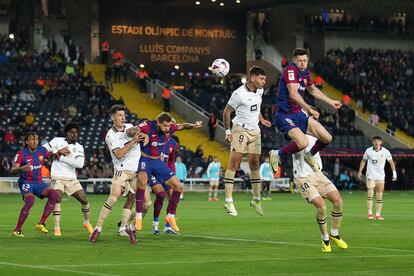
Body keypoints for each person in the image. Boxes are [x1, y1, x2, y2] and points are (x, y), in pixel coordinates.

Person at [126, 112, 202, 235]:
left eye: (168, 126)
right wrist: (139, 133)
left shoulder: (170, 128)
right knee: (142, 182)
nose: (167, 128)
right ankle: (138, 217)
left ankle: (170, 217)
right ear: (159, 123)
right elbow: (129, 131)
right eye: (165, 126)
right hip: (146, 160)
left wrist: (194, 125)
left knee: (178, 187)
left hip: (158, 162)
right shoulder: (148, 126)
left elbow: (182, 126)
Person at [269, 48, 342, 174]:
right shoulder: (290, 70)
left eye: (305, 60)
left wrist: (331, 101)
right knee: (303, 142)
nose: (303, 63)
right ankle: (276, 154)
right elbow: (293, 94)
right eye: (300, 61)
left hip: (298, 113)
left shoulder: (306, 73)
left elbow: (313, 90)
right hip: (284, 114)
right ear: (294, 60)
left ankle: (310, 155)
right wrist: (309, 109)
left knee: (327, 138)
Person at [89, 105, 148, 243]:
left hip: (136, 171)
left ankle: (127, 227)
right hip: (121, 169)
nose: (123, 117)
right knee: (114, 197)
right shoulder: (110, 136)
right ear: (113, 117)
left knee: (144, 202)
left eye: (123, 115)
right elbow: (119, 154)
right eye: (120, 115)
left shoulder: (129, 126)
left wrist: (143, 134)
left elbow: (136, 132)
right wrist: (133, 142)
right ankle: (98, 228)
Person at [222, 66, 272, 217]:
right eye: (261, 79)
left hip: (255, 130)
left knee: (255, 164)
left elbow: (256, 108)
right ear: (252, 78)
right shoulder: (238, 94)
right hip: (240, 130)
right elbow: (227, 112)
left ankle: (256, 200)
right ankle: (229, 201)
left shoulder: (260, 90)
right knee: (235, 163)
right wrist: (228, 131)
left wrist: (262, 119)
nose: (264, 82)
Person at [292, 135, 348, 253]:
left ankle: (334, 234)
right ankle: (325, 239)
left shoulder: (317, 135)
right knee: (321, 205)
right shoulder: (295, 134)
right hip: (302, 177)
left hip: (318, 174)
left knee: (338, 200)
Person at [43, 122, 93, 236]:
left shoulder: (79, 147)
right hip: (57, 177)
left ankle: (86, 222)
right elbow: (42, 151)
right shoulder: (57, 141)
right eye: (72, 132)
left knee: (84, 200)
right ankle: (57, 227)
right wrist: (56, 152)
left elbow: (79, 164)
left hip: (71, 178)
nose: (74, 134)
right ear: (66, 133)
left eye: (76, 132)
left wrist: (60, 157)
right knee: (57, 198)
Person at [11, 132, 59, 237]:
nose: (34, 141)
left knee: (55, 195)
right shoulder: (21, 153)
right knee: (30, 201)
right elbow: (12, 170)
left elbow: (50, 156)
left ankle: (41, 223)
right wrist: (21, 168)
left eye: (36, 139)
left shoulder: (42, 150)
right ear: (27, 142)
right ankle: (17, 229)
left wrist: (56, 154)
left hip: (39, 183)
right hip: (26, 182)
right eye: (32, 139)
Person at [358, 136, 397, 220]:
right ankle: (369, 213)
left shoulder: (386, 151)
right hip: (370, 175)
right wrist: (360, 171)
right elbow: (363, 160)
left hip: (380, 176)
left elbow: (391, 162)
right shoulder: (368, 150)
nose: (376, 142)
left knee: (379, 196)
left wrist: (394, 173)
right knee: (370, 194)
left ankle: (378, 214)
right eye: (375, 141)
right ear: (372, 142)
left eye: (378, 141)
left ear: (381, 142)